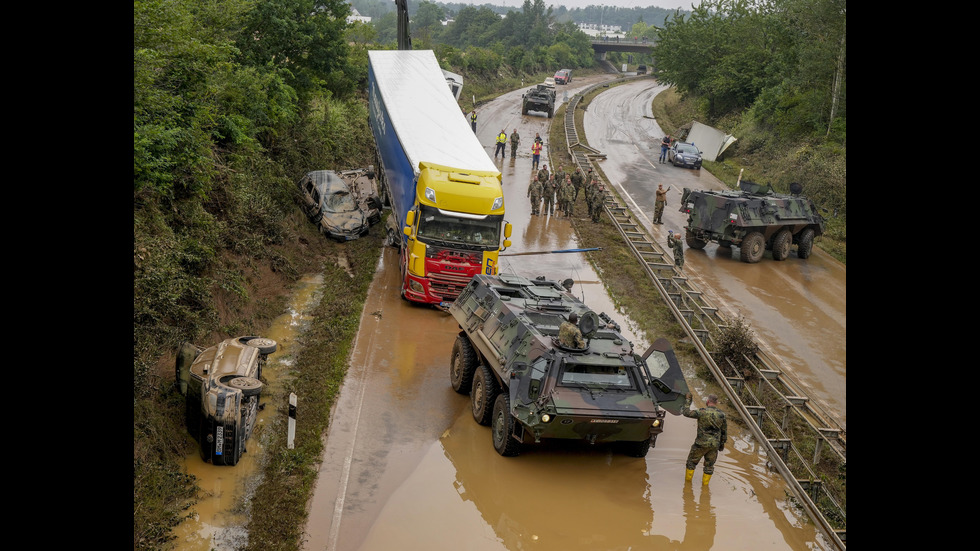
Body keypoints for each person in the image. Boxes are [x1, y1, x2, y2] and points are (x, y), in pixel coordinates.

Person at [681, 392, 727, 485]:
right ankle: (705, 488)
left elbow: (685, 412)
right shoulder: (722, 415)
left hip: (700, 444)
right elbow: (724, 432)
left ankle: (687, 485)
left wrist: (688, 400)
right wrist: (722, 444)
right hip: (714, 445)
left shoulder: (701, 412)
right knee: (709, 467)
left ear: (707, 401)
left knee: (691, 463)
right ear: (716, 402)